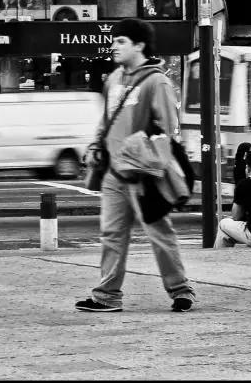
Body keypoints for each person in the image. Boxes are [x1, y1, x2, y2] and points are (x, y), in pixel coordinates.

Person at [76, 18, 196, 313]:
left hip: (144, 174)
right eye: (114, 40)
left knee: (159, 233)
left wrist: (148, 157)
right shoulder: (113, 79)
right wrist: (96, 144)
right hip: (114, 173)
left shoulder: (157, 82)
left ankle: (181, 290)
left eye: (121, 41)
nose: (113, 46)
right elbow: (106, 120)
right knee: (111, 235)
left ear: (139, 45)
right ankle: (106, 296)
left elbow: (168, 130)